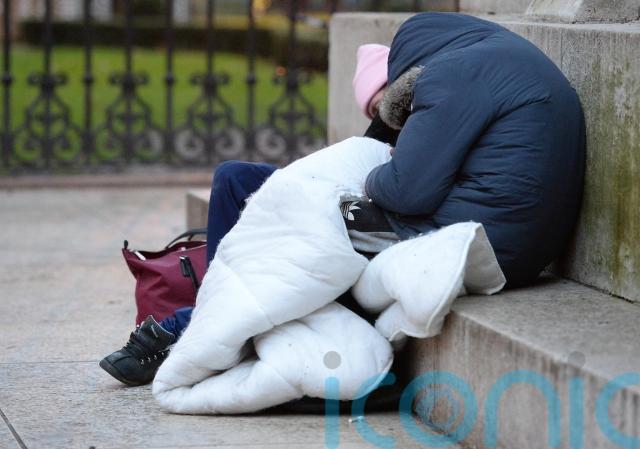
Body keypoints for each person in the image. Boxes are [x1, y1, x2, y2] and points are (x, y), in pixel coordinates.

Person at [100, 44, 398, 386]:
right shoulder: (392, 127)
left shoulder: (427, 115)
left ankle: (199, 323)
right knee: (233, 176)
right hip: (341, 204)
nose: (381, 113)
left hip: (365, 227)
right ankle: (214, 303)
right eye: (374, 110)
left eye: (384, 100)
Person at [366, 13, 585, 288]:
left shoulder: (451, 73)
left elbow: (405, 192)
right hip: (526, 255)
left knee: (334, 213)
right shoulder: (507, 57)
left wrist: (370, 178)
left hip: (478, 242)